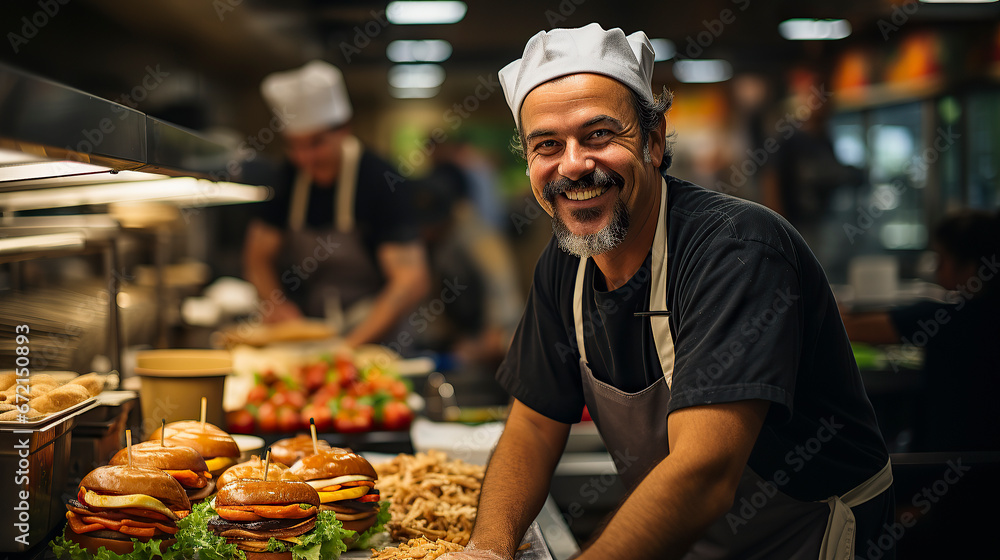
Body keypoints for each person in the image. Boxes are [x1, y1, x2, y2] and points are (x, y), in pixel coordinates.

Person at [443, 24, 894, 560]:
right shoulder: (565, 266)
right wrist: (488, 548)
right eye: (547, 145)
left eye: (598, 136)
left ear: (653, 141)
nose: (572, 165)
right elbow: (534, 428)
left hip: (807, 537)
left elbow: (702, 475)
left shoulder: (736, 250)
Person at [242, 60, 430, 347]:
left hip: (376, 338)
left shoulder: (381, 179)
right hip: (309, 333)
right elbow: (257, 257)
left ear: (344, 129)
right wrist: (276, 304)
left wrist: (348, 347)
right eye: (295, 146)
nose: (305, 159)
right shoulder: (288, 177)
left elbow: (411, 279)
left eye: (316, 143)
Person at [843, 210, 1000, 452]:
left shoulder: (951, 320)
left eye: (941, 259)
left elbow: (853, 328)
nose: (936, 268)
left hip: (944, 465)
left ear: (969, 266)